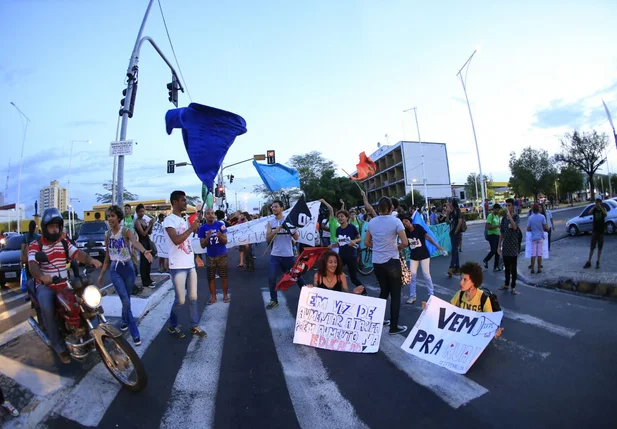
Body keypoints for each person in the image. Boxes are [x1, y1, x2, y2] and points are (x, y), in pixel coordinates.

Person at [28, 208, 102, 364]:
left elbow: (77, 253)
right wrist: (42, 277)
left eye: (57, 226)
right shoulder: (36, 245)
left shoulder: (63, 241)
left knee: (85, 301)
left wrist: (90, 260)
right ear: (45, 227)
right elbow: (33, 266)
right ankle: (59, 346)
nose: (54, 229)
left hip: (64, 283)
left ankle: (92, 329)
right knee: (47, 308)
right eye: (51, 226)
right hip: (46, 285)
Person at [98, 205, 153, 346]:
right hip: (115, 270)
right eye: (108, 216)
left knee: (126, 298)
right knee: (126, 301)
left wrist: (145, 251)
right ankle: (135, 333)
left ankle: (124, 320)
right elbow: (107, 257)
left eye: (113, 216)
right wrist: (101, 275)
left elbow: (135, 243)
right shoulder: (107, 235)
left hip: (128, 268)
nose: (110, 219)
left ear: (119, 217)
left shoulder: (126, 231)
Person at [163, 190, 207, 339]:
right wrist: (191, 228)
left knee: (193, 297)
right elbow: (176, 240)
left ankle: (194, 325)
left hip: (190, 264)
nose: (185, 202)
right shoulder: (169, 221)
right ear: (175, 202)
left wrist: (195, 257)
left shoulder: (183, 220)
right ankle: (172, 325)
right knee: (180, 300)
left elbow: (187, 242)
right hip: (177, 266)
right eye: (183, 200)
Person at [421, 262, 503, 337]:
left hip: (476, 336)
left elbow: (490, 323)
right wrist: (429, 308)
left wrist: (495, 332)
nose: (461, 283)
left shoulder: (483, 299)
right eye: (461, 279)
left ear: (474, 282)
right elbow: (447, 310)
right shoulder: (460, 294)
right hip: (461, 333)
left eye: (465, 280)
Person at [364, 197, 409, 335]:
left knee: (384, 291)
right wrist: (397, 248)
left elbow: (367, 242)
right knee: (395, 294)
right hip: (392, 261)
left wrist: (378, 247)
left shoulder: (372, 222)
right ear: (391, 208)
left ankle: (379, 320)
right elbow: (405, 242)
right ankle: (394, 326)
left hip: (377, 262)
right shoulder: (396, 221)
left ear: (378, 208)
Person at [266, 200, 304, 309]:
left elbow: (296, 238)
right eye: (272, 207)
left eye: (276, 207)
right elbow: (267, 240)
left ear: (282, 208)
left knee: (298, 276)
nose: (274, 208)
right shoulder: (270, 223)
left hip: (288, 255)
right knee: (272, 278)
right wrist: (274, 231)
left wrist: (292, 230)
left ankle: (307, 295)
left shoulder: (289, 221)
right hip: (275, 255)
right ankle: (274, 300)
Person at [401, 213, 444, 305]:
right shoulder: (404, 232)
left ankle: (431, 294)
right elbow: (403, 243)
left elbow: (427, 237)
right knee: (412, 277)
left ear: (410, 221)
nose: (405, 224)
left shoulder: (418, 228)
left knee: (426, 275)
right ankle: (412, 296)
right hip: (414, 256)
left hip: (424, 255)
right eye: (403, 223)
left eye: (406, 221)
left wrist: (437, 246)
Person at [330, 210, 366, 295]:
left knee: (353, 278)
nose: (340, 218)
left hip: (351, 255)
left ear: (347, 218)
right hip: (341, 255)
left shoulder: (352, 227)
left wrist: (354, 241)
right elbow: (340, 243)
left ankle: (364, 291)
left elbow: (360, 238)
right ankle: (338, 294)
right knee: (336, 274)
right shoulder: (338, 229)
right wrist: (332, 246)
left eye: (342, 216)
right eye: (338, 217)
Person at [199, 208, 230, 304]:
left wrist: (220, 236)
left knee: (224, 277)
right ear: (205, 215)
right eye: (208, 213)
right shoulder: (202, 228)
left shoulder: (221, 225)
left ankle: (225, 295)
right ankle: (213, 297)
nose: (211, 215)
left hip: (222, 255)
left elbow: (225, 241)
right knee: (211, 277)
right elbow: (202, 245)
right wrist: (207, 237)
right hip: (210, 256)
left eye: (212, 213)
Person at [498, 198, 521, 295]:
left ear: (513, 206)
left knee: (513, 267)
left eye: (509, 205)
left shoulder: (516, 217)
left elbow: (515, 227)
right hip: (506, 246)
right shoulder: (503, 219)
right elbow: (502, 233)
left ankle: (513, 286)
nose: (507, 207)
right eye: (506, 205)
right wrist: (499, 245)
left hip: (514, 246)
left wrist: (510, 217)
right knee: (506, 267)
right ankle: (506, 283)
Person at [134, 204, 155, 288]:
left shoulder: (143, 220)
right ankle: (145, 281)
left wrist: (151, 225)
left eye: (143, 211)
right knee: (144, 262)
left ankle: (148, 279)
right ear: (137, 212)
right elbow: (143, 233)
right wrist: (149, 224)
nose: (141, 213)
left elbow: (149, 232)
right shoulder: (137, 222)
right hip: (142, 242)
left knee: (149, 262)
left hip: (147, 241)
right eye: (140, 212)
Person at [584, 197, 607, 269]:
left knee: (600, 247)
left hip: (601, 231)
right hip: (595, 231)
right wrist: (594, 207)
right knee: (592, 247)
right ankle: (589, 261)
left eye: (598, 201)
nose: (597, 203)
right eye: (596, 201)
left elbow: (605, 214)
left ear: (601, 202)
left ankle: (598, 261)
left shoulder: (603, 208)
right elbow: (589, 212)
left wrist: (600, 207)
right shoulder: (594, 209)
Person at [527, 204, 548, 274]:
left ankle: (532, 268)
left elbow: (528, 228)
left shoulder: (530, 218)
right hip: (540, 237)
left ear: (533, 209)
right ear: (538, 209)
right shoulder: (542, 217)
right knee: (539, 254)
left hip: (533, 237)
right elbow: (545, 227)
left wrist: (533, 228)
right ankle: (539, 269)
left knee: (533, 254)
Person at [445, 199, 463, 277]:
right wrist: (448, 214)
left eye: (449, 203)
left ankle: (451, 268)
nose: (448, 204)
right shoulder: (451, 212)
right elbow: (447, 222)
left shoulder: (457, 211)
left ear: (452, 203)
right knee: (455, 250)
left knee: (454, 251)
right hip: (452, 233)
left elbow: (460, 221)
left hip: (456, 233)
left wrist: (456, 231)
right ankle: (457, 268)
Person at [483, 204, 502, 272]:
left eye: (498, 209)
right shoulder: (490, 216)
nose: (498, 211)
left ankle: (496, 266)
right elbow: (488, 226)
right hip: (491, 235)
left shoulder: (497, 216)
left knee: (497, 251)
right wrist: (497, 226)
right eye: (497, 209)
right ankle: (486, 260)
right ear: (494, 209)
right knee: (493, 250)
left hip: (497, 235)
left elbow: (499, 225)